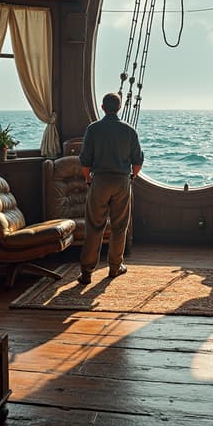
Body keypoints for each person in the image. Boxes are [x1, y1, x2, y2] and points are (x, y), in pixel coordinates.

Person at [77, 92, 144, 285]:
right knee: (120, 226)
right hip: (122, 181)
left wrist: (88, 179)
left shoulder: (93, 129)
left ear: (102, 107)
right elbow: (137, 162)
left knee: (94, 226)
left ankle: (87, 272)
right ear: (120, 107)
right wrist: (132, 176)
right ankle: (115, 267)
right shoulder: (129, 130)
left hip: (100, 181)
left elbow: (85, 160)